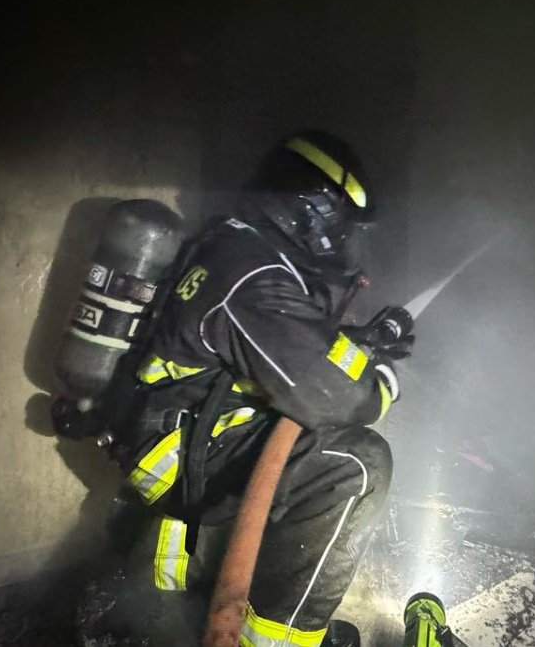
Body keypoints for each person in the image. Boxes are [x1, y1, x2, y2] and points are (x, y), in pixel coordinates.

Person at [116, 131, 410, 647]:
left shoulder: (240, 249)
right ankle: (274, 638)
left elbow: (299, 349)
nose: (347, 242)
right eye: (343, 227)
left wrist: (358, 345)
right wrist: (381, 383)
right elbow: (334, 397)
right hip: (178, 456)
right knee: (357, 464)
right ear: (312, 213)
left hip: (179, 432)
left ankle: (199, 578)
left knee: (300, 440)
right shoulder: (251, 276)